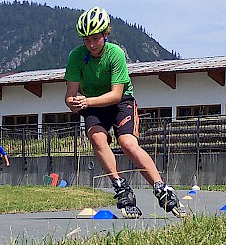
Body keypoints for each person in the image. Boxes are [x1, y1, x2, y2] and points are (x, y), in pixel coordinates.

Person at [64, 7, 185, 219]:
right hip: (92, 104)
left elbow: (116, 95)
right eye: (86, 40)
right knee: (97, 138)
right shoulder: (76, 57)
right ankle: (121, 187)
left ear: (105, 34)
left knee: (128, 144)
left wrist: (86, 101)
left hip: (119, 101)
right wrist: (72, 103)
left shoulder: (115, 54)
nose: (91, 45)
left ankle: (161, 188)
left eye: (95, 38)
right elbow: (70, 94)